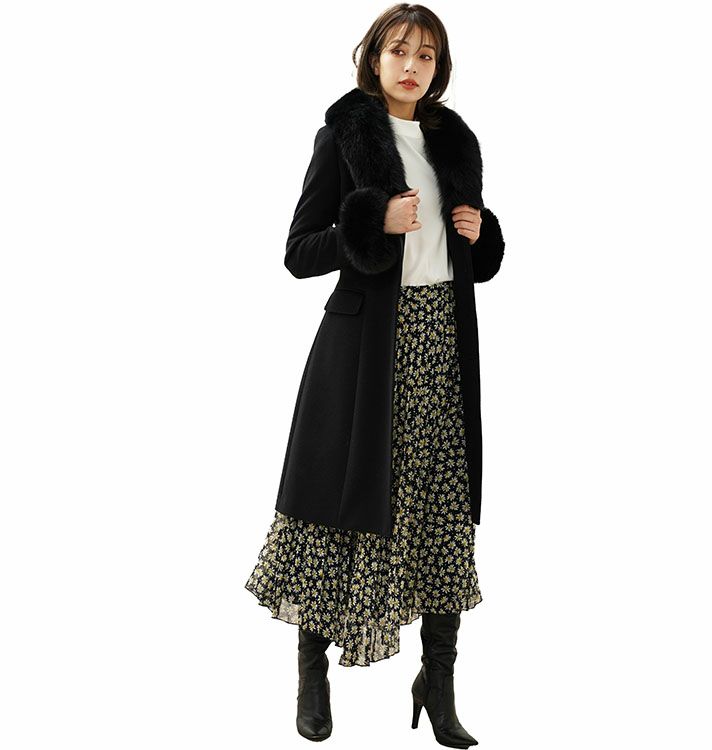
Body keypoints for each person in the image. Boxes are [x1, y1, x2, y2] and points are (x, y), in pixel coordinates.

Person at [244, 4, 506, 746]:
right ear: (374, 57)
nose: (412, 65)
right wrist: (370, 222)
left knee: (439, 507)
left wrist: (480, 233)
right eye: (399, 50)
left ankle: (438, 682)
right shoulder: (345, 135)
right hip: (362, 352)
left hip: (441, 344)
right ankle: (312, 671)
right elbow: (299, 251)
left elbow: (470, 257)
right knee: (338, 506)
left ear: (438, 68)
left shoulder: (454, 140)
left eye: (426, 54)